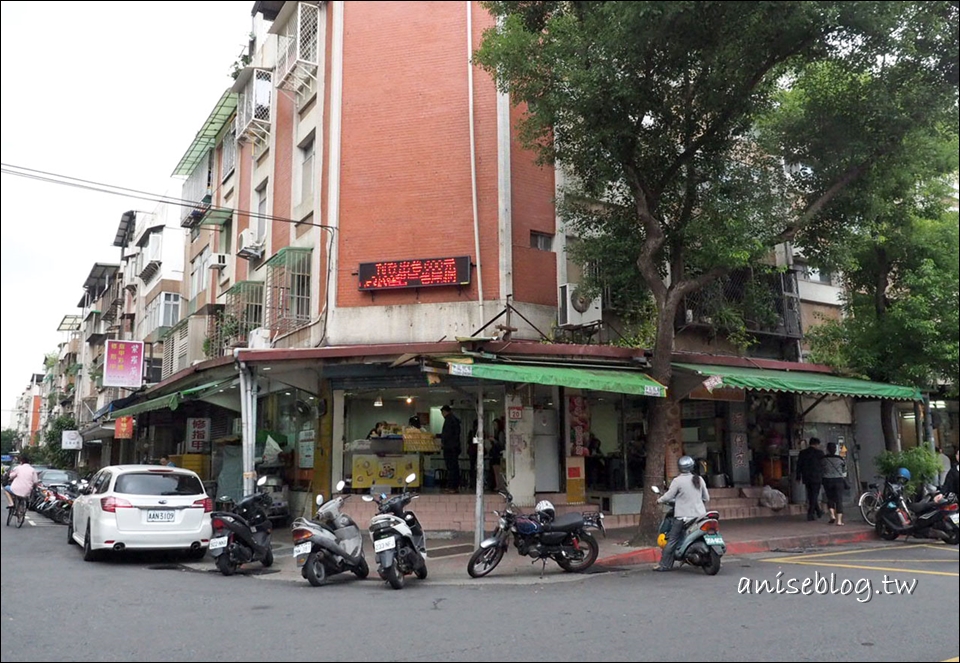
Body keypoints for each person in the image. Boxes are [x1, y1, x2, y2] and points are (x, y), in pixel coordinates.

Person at [654, 455, 710, 572]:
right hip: (700, 516)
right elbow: (706, 498)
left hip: (683, 517)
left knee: (672, 540)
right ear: (692, 466)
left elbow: (669, 496)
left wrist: (659, 500)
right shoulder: (699, 479)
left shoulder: (678, 481)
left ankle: (665, 565)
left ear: (680, 467)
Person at [795, 437, 824, 521]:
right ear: (816, 444)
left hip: (806, 476)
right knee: (814, 495)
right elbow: (823, 465)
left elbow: (799, 465)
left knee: (810, 494)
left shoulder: (803, 453)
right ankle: (810, 513)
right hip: (817, 477)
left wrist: (798, 476)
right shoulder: (820, 453)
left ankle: (818, 511)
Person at [820, 442, 847, 526]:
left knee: (830, 498)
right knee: (839, 499)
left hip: (827, 480)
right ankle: (839, 521)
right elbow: (844, 470)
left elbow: (821, 469)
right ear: (835, 449)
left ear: (827, 449)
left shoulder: (823, 459)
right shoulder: (840, 459)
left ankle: (832, 515)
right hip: (838, 480)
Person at [439, 405, 461, 494]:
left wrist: (442, 441)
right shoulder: (455, 420)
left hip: (450, 447)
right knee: (454, 467)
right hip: (455, 447)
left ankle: (452, 486)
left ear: (445, 411)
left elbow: (447, 434)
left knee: (451, 467)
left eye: (442, 413)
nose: (442, 415)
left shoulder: (449, 420)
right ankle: (454, 486)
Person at [488, 418, 506, 491]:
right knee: (496, 471)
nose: (494, 426)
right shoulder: (496, 433)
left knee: (498, 471)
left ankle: (500, 485)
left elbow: (501, 444)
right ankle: (498, 485)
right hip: (495, 454)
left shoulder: (500, 433)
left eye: (495, 424)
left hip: (498, 454)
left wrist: (494, 440)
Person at [467, 419, 479, 490]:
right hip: (474, 451)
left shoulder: (472, 432)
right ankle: (472, 482)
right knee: (473, 467)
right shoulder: (473, 432)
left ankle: (473, 482)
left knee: (473, 467)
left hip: (473, 451)